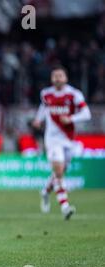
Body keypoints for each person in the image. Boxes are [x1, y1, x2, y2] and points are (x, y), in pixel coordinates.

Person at [32, 66, 91, 220]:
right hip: (52, 138)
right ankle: (65, 207)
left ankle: (45, 191)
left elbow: (87, 113)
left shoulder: (74, 94)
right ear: (52, 79)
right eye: (55, 76)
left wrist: (71, 118)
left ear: (66, 78)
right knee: (58, 172)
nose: (58, 78)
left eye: (60, 76)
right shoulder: (46, 94)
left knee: (60, 172)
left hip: (69, 138)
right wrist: (38, 119)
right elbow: (44, 108)